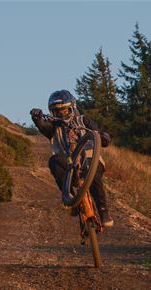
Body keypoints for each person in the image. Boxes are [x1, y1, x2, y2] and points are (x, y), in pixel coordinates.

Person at [30, 89, 113, 227]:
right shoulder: (53, 127)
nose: (62, 114)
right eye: (57, 112)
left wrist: (104, 137)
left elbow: (98, 135)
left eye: (65, 110)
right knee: (54, 161)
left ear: (73, 108)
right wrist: (37, 118)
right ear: (52, 114)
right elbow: (43, 126)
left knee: (94, 178)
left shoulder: (84, 120)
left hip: (91, 160)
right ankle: (70, 198)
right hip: (69, 166)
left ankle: (104, 212)